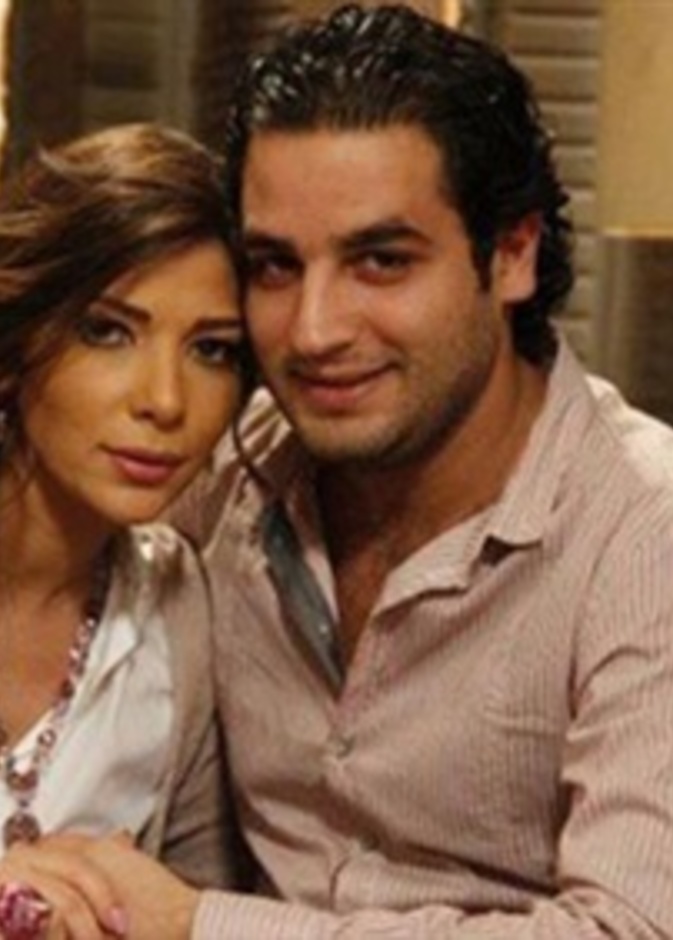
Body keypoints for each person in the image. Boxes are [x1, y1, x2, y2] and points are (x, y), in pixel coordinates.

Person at [9, 4, 673, 939]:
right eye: (275, 267)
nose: (314, 330)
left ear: (511, 254)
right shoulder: (227, 473)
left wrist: (201, 925)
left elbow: (634, 930)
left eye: (380, 260)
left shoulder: (643, 533)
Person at [0, 123, 254, 939]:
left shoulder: (178, 605)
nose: (165, 401)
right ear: (17, 341)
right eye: (107, 332)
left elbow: (190, 909)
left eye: (212, 350)